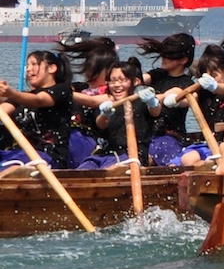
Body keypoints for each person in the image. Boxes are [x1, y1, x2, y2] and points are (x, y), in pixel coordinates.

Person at [0, 50, 75, 169]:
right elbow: (3, 110)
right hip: (20, 153)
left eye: (34, 64)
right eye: (28, 65)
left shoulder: (62, 90)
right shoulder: (22, 97)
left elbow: (39, 100)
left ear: (52, 68)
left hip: (48, 156)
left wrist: (11, 93)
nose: (28, 69)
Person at [80, 59, 159, 168]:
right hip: (106, 153)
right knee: (84, 169)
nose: (117, 85)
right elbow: (101, 124)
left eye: (122, 80)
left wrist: (153, 103)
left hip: (133, 155)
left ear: (135, 81)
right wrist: (105, 114)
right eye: (112, 81)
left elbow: (155, 112)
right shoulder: (107, 105)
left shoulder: (141, 102)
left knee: (111, 169)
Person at [139, 33, 198, 165]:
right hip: (148, 134)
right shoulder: (157, 74)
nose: (164, 58)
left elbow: (188, 97)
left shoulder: (186, 83)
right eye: (164, 53)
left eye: (169, 55)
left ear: (183, 60)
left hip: (171, 136)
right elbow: (139, 79)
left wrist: (162, 97)